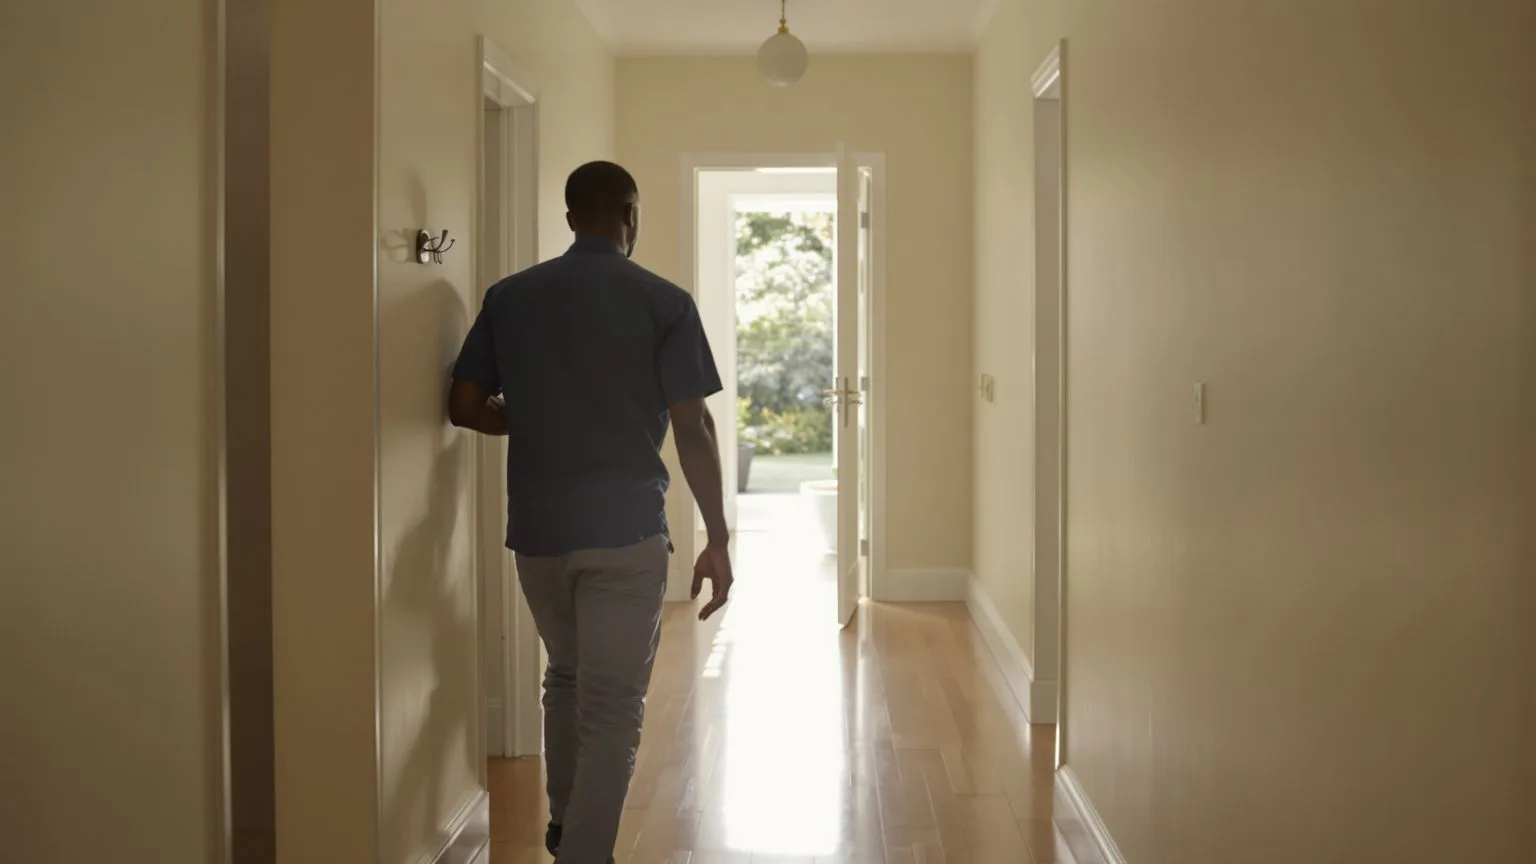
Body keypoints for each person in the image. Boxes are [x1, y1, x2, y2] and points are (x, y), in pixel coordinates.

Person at [447, 160, 733, 864]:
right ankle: (582, 853)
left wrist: (528, 417)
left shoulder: (510, 297)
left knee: (567, 676)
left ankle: (564, 830)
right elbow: (692, 425)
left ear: (571, 217)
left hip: (538, 533)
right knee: (612, 709)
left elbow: (464, 405)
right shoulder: (664, 302)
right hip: (625, 533)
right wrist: (717, 535)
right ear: (630, 215)